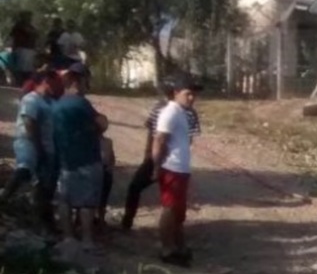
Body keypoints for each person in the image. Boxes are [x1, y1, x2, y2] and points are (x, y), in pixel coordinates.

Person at [121, 81, 202, 231]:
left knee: (170, 201)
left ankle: (173, 234)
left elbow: (186, 139)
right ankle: (128, 219)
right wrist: (150, 158)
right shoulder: (163, 108)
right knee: (137, 188)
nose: (192, 97)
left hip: (170, 161)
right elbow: (154, 135)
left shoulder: (188, 112)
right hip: (163, 158)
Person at [51, 63, 108, 251]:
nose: (87, 84)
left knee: (65, 200)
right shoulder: (80, 103)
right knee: (86, 203)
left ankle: (68, 237)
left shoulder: (58, 104)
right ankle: (86, 240)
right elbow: (101, 123)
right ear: (78, 80)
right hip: (87, 159)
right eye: (86, 80)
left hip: (66, 161)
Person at [0, 70, 61, 231]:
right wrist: (38, 146)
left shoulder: (51, 102)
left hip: (49, 148)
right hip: (29, 143)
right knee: (25, 169)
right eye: (55, 82)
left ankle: (45, 222)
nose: (58, 86)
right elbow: (29, 123)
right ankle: (4, 197)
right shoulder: (32, 99)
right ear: (47, 81)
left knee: (45, 187)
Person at [152, 75, 202, 266]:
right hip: (171, 168)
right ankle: (166, 249)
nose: (192, 98)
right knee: (169, 209)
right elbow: (159, 139)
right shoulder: (170, 112)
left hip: (180, 169)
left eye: (193, 94)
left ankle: (179, 246)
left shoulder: (181, 112)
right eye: (188, 94)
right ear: (176, 93)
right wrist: (156, 166)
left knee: (178, 212)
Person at [8, 11, 38, 85]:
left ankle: (25, 84)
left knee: (28, 69)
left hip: (30, 49)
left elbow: (36, 35)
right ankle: (20, 84)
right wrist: (13, 48)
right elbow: (13, 37)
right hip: (22, 49)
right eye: (28, 16)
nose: (30, 18)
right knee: (22, 69)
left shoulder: (30, 26)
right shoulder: (20, 25)